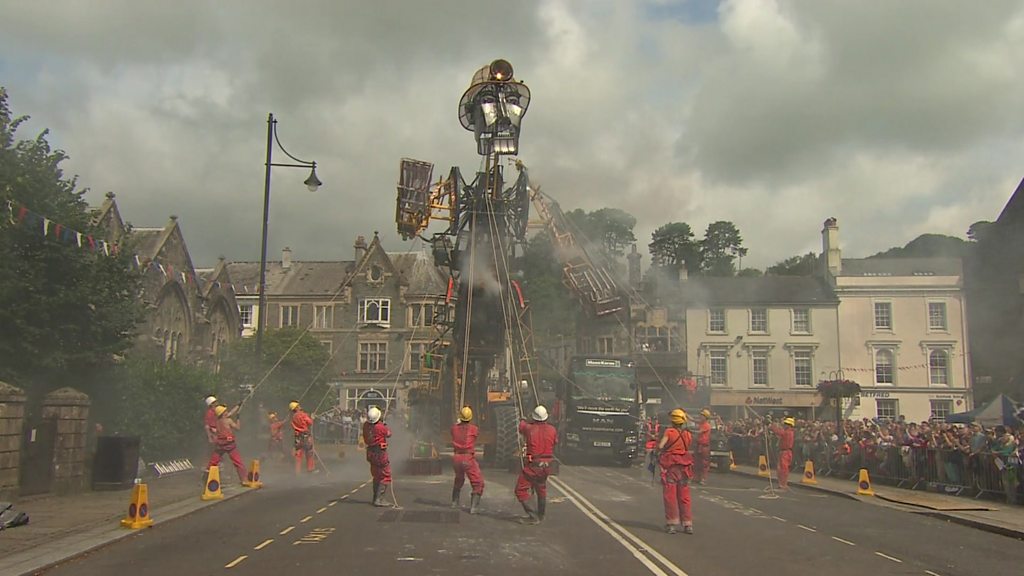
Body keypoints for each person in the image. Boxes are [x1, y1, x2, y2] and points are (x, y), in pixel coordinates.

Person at [515, 405, 558, 525]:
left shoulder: (529, 428)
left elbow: (521, 427)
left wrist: (523, 419)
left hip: (533, 465)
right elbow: (554, 442)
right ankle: (541, 514)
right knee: (541, 488)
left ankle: (533, 516)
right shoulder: (552, 430)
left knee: (520, 490)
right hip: (547, 465)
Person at [658, 408, 694, 534]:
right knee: (684, 496)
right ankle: (688, 525)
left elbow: (661, 446)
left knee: (670, 495)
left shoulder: (669, 432)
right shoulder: (688, 434)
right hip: (684, 467)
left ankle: (671, 523)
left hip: (671, 466)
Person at [450, 406, 484, 514]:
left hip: (456, 458)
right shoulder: (474, 429)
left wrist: (458, 424)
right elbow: (476, 435)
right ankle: (474, 507)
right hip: (467, 458)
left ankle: (454, 502)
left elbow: (454, 430)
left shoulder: (454, 428)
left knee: (459, 478)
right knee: (478, 482)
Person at [209, 404, 249, 484]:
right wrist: (238, 418)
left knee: (213, 462)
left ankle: (206, 479)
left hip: (220, 445)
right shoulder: (228, 420)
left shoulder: (218, 421)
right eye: (225, 411)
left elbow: (230, 413)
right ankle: (244, 480)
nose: (227, 412)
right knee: (238, 463)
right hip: (230, 445)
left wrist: (238, 405)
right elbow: (238, 428)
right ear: (223, 413)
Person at [363, 405, 392, 506]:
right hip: (380, 453)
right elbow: (389, 434)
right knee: (385, 475)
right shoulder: (380, 427)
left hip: (370, 452)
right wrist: (383, 424)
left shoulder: (365, 425)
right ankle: (379, 499)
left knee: (376, 475)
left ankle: (375, 497)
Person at [289, 401, 316, 474]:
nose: (300, 406)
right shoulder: (303, 415)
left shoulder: (293, 417)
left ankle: (297, 471)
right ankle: (310, 469)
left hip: (298, 437)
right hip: (305, 436)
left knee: (298, 454)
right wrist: (312, 418)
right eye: (298, 406)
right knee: (309, 452)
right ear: (297, 407)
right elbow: (310, 422)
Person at [771, 416, 796, 490]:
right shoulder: (789, 431)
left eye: (786, 423)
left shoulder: (788, 432)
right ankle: (782, 484)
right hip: (784, 452)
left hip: (785, 452)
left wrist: (772, 426)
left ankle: (783, 484)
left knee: (783, 469)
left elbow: (778, 432)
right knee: (781, 469)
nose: (784, 425)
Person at [695, 409, 713, 484]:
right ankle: (697, 477)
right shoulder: (701, 423)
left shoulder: (707, 425)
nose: (700, 417)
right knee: (697, 462)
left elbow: (699, 431)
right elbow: (693, 420)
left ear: (706, 417)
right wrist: (685, 414)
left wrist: (689, 431)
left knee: (704, 463)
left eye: (702, 416)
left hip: (704, 446)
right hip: (699, 445)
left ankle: (703, 479)